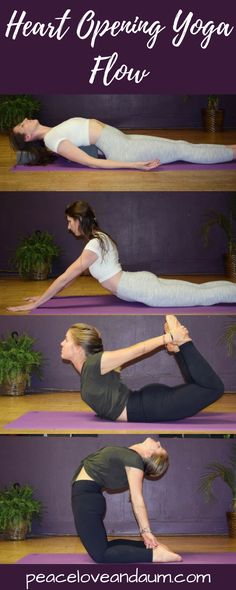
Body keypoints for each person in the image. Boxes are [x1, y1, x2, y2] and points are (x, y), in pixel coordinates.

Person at [7, 201, 236, 312]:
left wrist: (39, 303)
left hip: (141, 289)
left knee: (200, 297)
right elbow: (66, 280)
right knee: (199, 290)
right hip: (137, 282)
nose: (68, 227)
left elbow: (65, 278)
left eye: (69, 222)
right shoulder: (100, 237)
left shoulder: (94, 245)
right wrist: (41, 296)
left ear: (79, 220)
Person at [60, 315, 224, 422]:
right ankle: (178, 348)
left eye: (66, 340)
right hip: (148, 405)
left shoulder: (97, 363)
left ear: (78, 347)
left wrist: (170, 337)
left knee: (214, 388)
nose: (62, 343)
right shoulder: (90, 369)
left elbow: (139, 349)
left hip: (152, 407)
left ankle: (182, 342)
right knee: (197, 386)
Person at [71, 438, 182, 563]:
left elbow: (137, 498)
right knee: (106, 547)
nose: (159, 443)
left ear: (149, 454)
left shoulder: (134, 460)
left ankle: (155, 555)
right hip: (88, 499)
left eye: (159, 448)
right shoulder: (129, 455)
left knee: (102, 555)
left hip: (86, 499)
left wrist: (146, 531)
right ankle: (154, 548)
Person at [10, 116, 236, 170]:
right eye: (21, 126)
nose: (25, 120)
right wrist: (133, 166)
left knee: (181, 144)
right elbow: (91, 162)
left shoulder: (54, 131)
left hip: (123, 140)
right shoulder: (51, 140)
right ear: (27, 137)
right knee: (182, 149)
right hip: (123, 150)